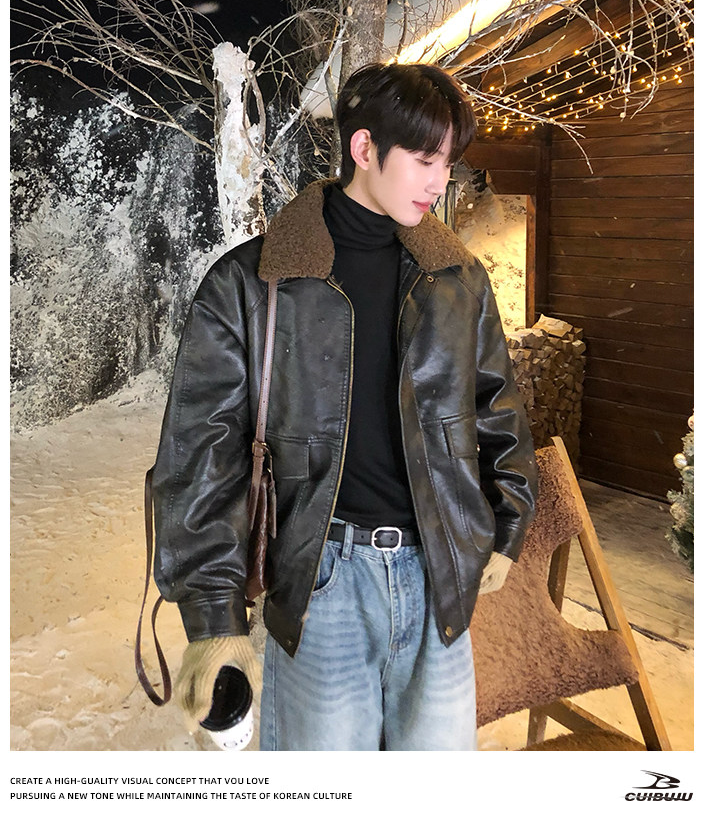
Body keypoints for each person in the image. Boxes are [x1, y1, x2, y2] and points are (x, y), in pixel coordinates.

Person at [151, 62, 538, 751]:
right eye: (424, 160)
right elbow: (199, 454)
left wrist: (505, 526)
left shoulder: (458, 279)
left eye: (447, 163)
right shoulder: (251, 284)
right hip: (321, 583)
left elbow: (495, 409)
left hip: (438, 581)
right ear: (364, 149)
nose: (440, 181)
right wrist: (213, 621)